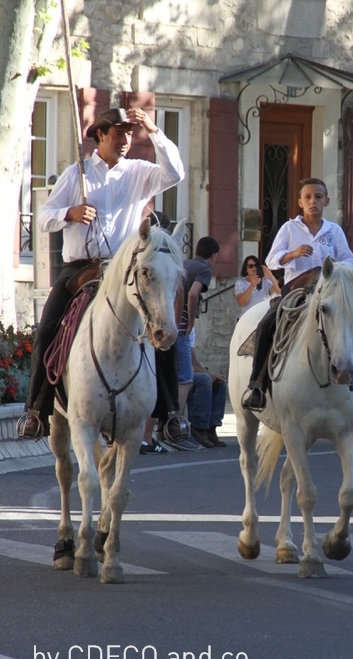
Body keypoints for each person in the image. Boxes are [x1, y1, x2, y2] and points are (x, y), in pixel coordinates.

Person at [20, 107, 184, 440]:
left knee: (162, 327)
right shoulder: (76, 173)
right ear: (100, 135)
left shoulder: (140, 172)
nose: (125, 139)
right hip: (82, 267)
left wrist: (154, 131)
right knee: (48, 327)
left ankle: (169, 413)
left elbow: (176, 174)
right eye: (117, 133)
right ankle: (36, 411)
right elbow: (44, 218)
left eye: (128, 133)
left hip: (125, 268)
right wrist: (70, 213)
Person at [242, 177, 353, 419]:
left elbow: (350, 260)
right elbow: (271, 260)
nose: (313, 202)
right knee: (267, 324)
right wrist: (292, 254)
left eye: (318, 197)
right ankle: (257, 384)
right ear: (300, 202)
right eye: (308, 197)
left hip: (328, 289)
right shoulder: (289, 229)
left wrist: (336, 268)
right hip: (297, 289)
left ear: (326, 201)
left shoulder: (334, 231)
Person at [171, 236, 221, 451]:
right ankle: (183, 429)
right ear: (214, 256)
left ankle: (208, 428)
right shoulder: (204, 269)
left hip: (172, 324)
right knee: (186, 380)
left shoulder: (184, 264)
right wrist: (190, 322)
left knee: (197, 378)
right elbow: (192, 295)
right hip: (180, 327)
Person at [181, 335, 227, 448]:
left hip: (190, 370)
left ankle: (212, 428)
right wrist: (209, 375)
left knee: (220, 383)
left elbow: (194, 361)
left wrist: (213, 375)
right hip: (180, 373)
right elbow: (186, 365)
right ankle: (198, 427)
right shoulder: (180, 330)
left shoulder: (190, 331)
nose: (200, 315)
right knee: (205, 380)